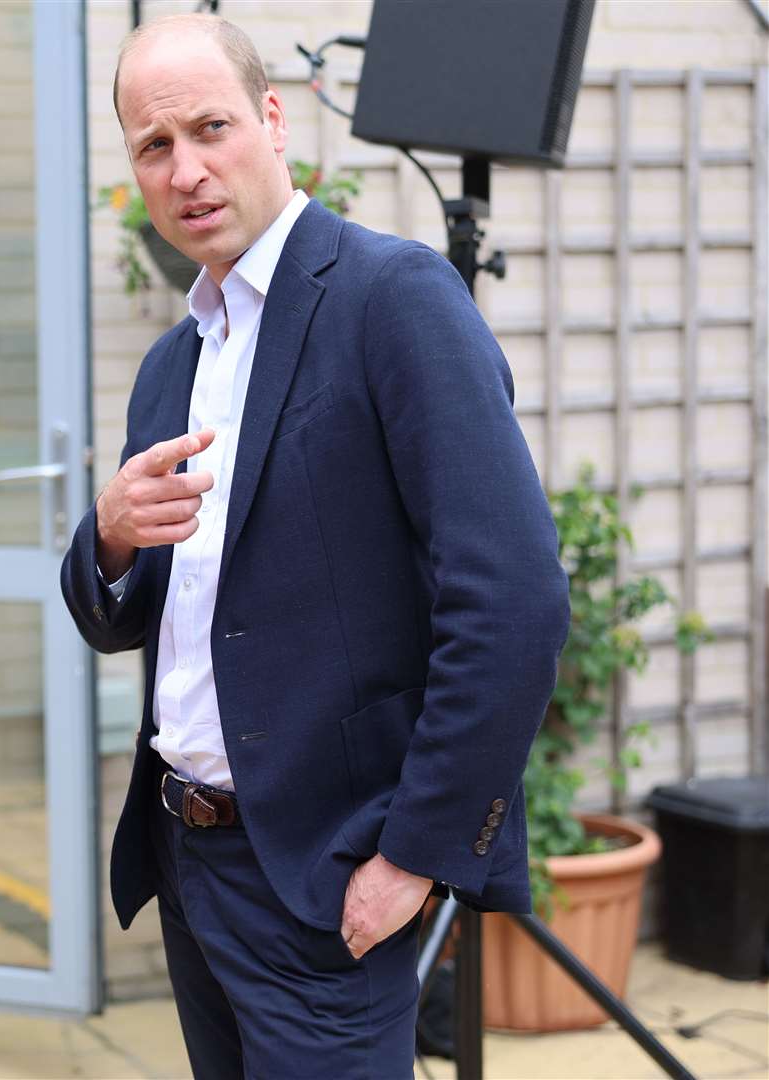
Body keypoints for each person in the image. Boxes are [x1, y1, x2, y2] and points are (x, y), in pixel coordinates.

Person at [60, 15, 570, 1077]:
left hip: (328, 880)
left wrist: (414, 859)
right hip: (189, 865)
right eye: (156, 147)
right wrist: (107, 536)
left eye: (211, 128)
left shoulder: (394, 300)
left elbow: (513, 604)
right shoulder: (172, 361)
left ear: (275, 119)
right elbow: (129, 616)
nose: (188, 169)